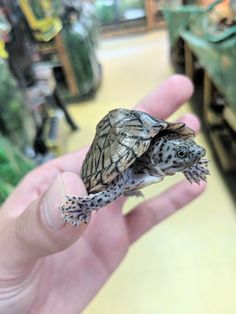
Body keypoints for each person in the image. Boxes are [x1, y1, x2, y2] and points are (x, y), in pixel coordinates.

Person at [0, 75, 206, 314]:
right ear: (157, 155)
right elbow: (109, 192)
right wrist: (83, 205)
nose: (195, 153)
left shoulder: (164, 144)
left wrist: (189, 161)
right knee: (113, 192)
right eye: (181, 156)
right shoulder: (126, 171)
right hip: (114, 147)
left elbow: (183, 147)